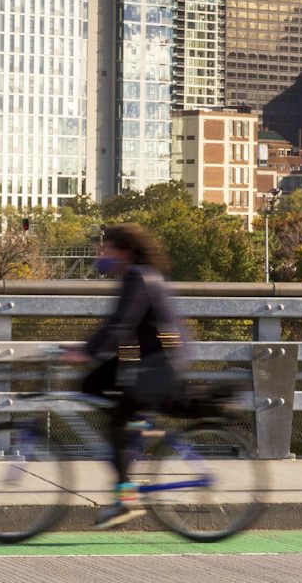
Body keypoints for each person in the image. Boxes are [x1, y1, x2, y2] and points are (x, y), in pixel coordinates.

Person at [64, 223, 191, 528]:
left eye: (107, 249)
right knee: (91, 383)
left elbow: (120, 325)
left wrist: (86, 353)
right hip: (148, 359)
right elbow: (115, 326)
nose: (101, 255)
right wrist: (85, 348)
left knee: (116, 422)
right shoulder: (138, 275)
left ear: (124, 252)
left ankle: (125, 499)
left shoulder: (137, 276)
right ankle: (139, 428)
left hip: (158, 364)